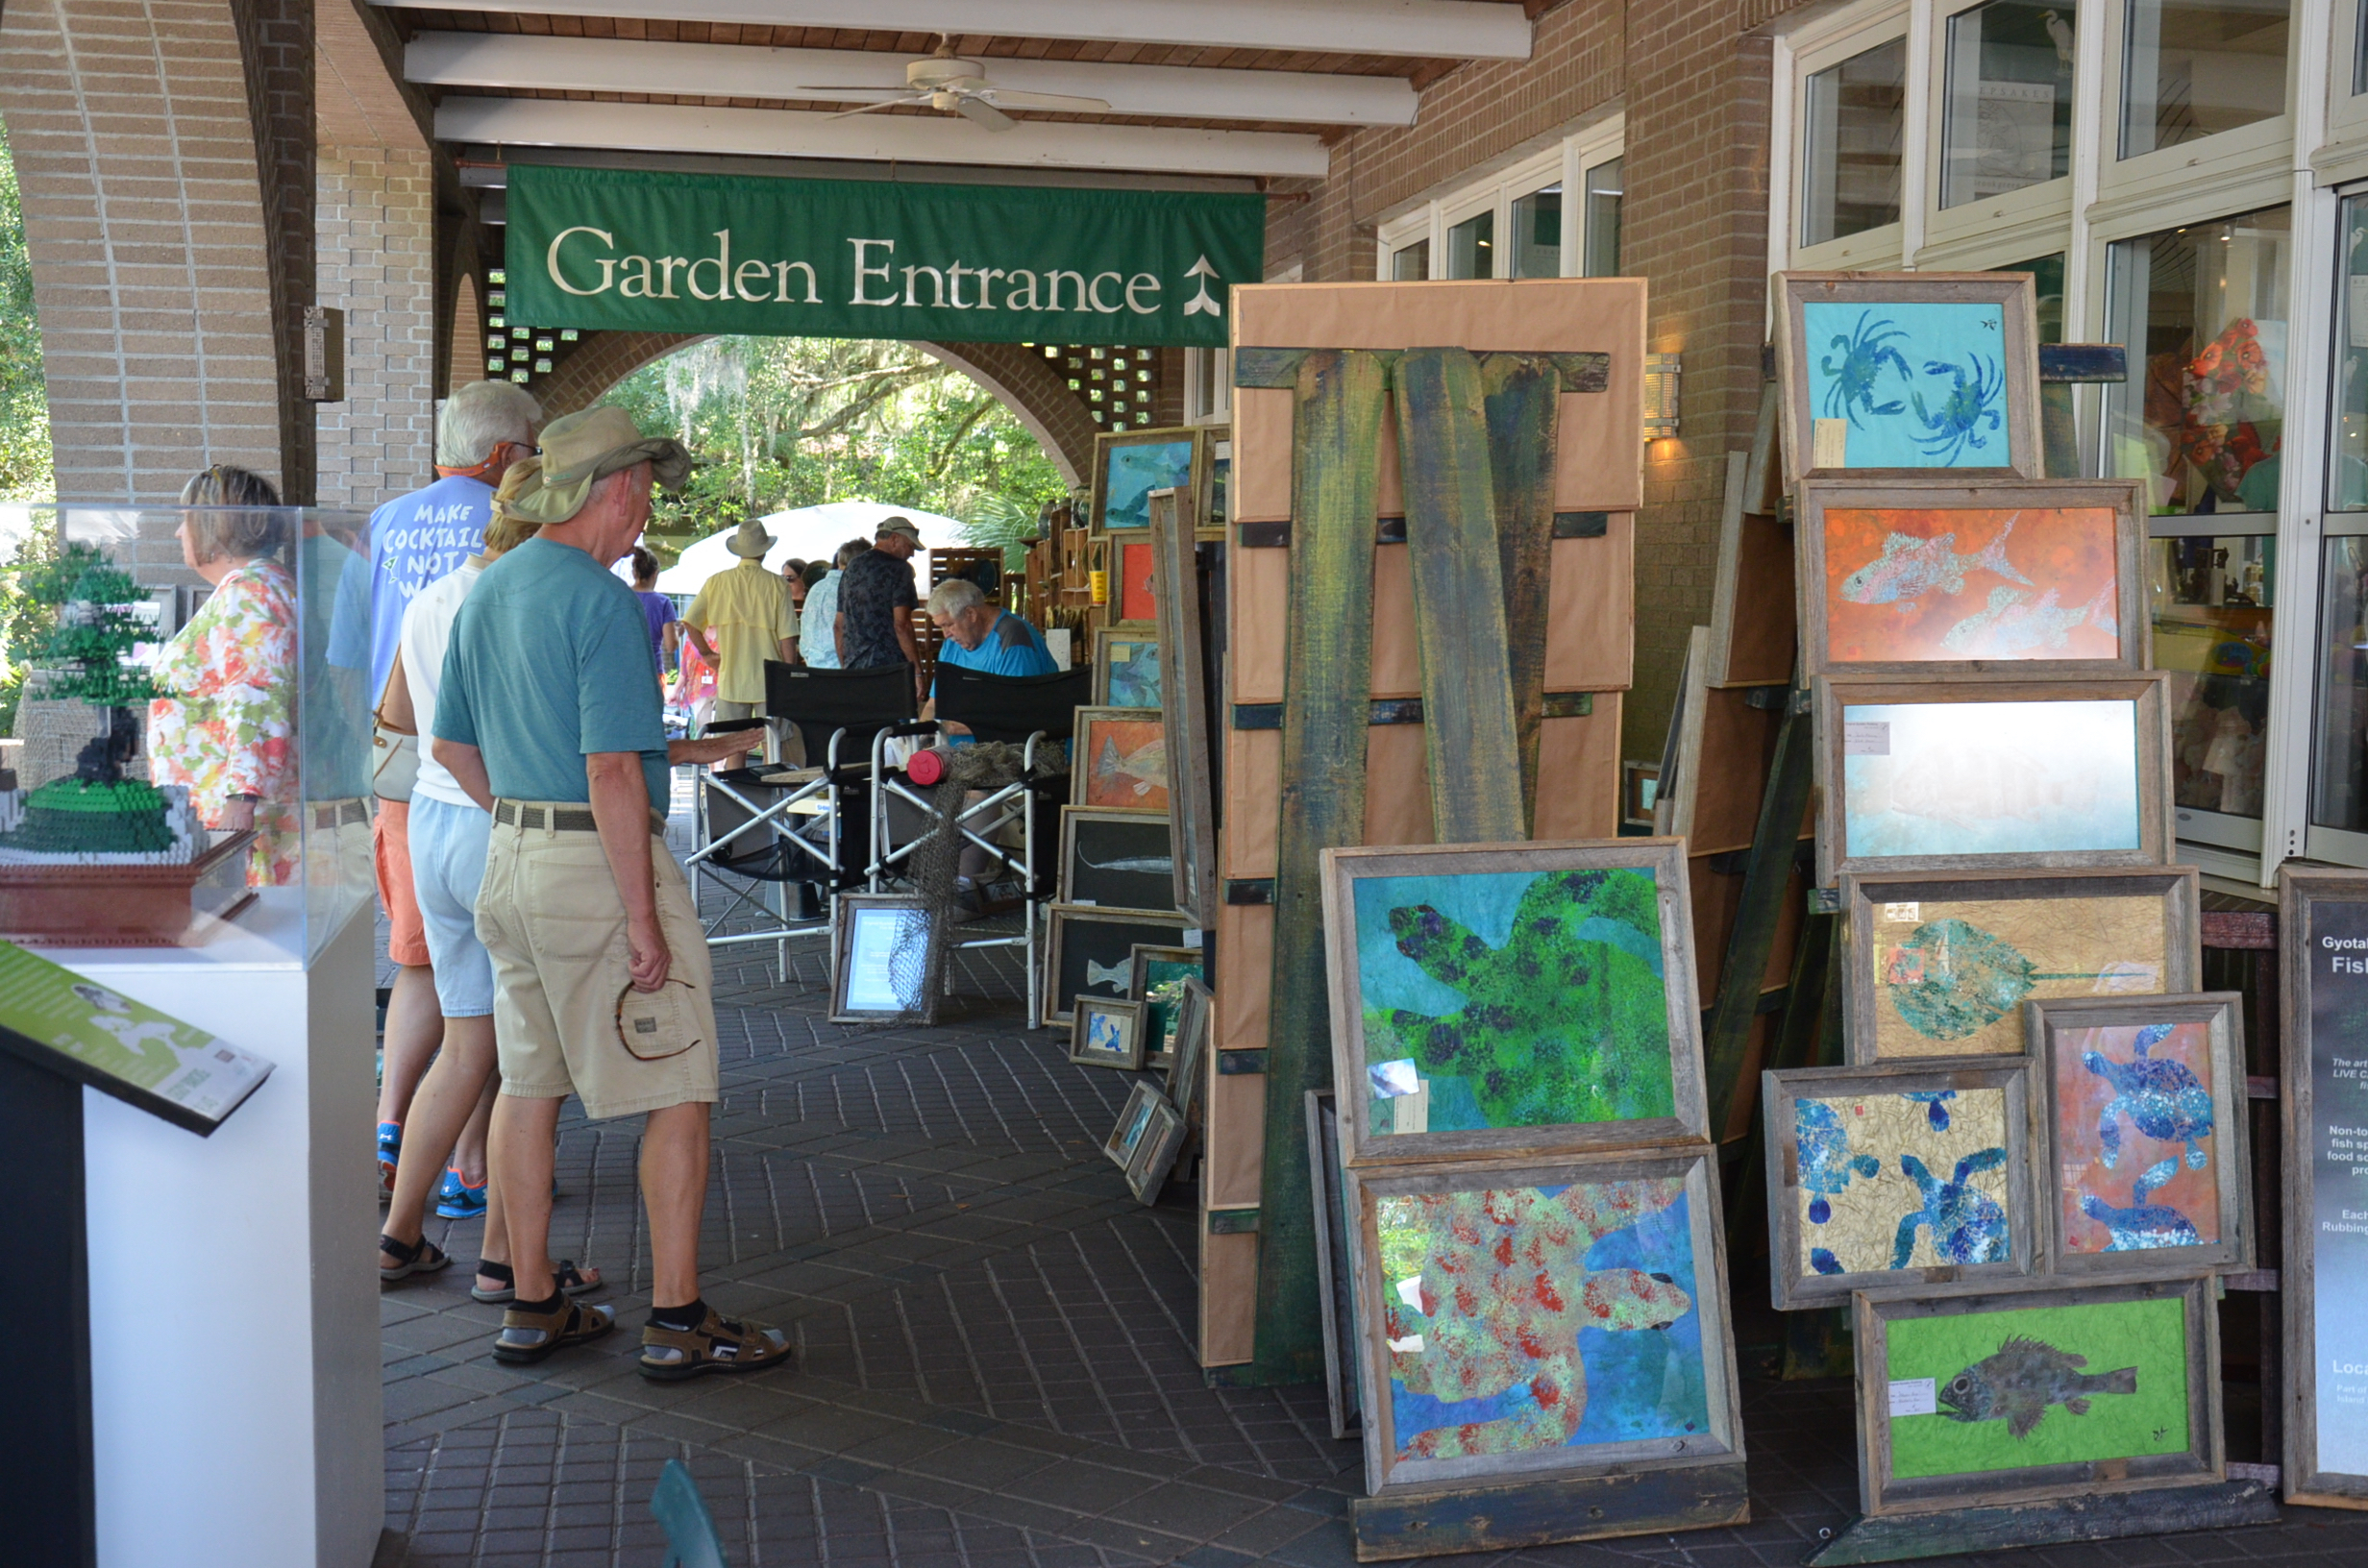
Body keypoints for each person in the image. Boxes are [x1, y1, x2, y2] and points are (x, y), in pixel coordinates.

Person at [431, 405, 788, 1377]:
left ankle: (533, 1301)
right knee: (678, 1082)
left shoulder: (492, 587)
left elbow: (450, 745)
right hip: (591, 866)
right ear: (615, 488)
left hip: (508, 860)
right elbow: (612, 774)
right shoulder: (598, 601)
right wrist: (641, 917)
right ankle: (677, 1317)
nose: (646, 515)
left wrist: (522, 815)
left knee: (529, 1082)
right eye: (644, 494)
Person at [373, 462, 602, 1294]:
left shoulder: (431, 596)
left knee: (471, 1047)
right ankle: (508, 1263)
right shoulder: (523, 601)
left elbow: (398, 720)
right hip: (494, 818)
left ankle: (400, 1235)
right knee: (528, 1061)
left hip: (429, 823)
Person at [365, 380, 542, 1198]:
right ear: (508, 457)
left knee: (420, 962)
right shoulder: (515, 532)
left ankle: (390, 1131)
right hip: (485, 784)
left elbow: (359, 669)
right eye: (536, 450)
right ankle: (473, 1167)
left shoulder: (386, 522)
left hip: (403, 783)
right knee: (498, 994)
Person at [148, 465, 297, 887]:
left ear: (215, 527)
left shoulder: (250, 593)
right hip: (232, 823)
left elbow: (258, 699)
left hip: (241, 832)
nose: (180, 533)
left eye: (186, 520)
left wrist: (239, 807)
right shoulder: (257, 586)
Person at [681, 518, 798, 722]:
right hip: (769, 680)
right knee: (773, 744)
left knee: (733, 745)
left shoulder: (716, 582)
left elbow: (690, 622)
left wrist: (708, 654)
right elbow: (787, 638)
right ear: (764, 550)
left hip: (731, 678)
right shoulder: (777, 585)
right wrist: (789, 677)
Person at [836, 516, 923, 698]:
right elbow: (902, 625)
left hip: (855, 668)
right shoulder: (900, 569)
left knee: (865, 724)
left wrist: (846, 666)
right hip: (890, 669)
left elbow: (838, 624)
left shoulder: (852, 567)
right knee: (896, 725)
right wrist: (917, 672)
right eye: (910, 546)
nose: (912, 553)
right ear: (894, 539)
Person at [926, 577, 1055, 694]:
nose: (946, 634)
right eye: (942, 626)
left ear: (971, 614)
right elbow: (933, 704)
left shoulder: (1013, 639)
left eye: (948, 625)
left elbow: (1015, 712)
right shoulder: (952, 643)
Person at [796, 539, 866, 671]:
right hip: (841, 670)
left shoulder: (817, 587)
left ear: (839, 561)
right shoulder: (853, 588)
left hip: (812, 666)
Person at [630, 547, 678, 674]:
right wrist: (678, 632)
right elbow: (671, 645)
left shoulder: (620, 595)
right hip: (653, 672)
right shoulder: (663, 603)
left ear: (634, 572)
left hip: (624, 672)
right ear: (656, 573)